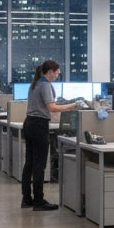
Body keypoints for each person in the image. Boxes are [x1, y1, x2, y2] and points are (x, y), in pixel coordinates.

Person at [21, 60, 78, 210]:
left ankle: (27, 199)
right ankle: (39, 201)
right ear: (50, 71)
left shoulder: (35, 83)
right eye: (57, 73)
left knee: (30, 163)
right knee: (39, 165)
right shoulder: (45, 85)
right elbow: (51, 107)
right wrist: (72, 105)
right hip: (39, 125)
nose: (57, 76)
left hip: (29, 123)